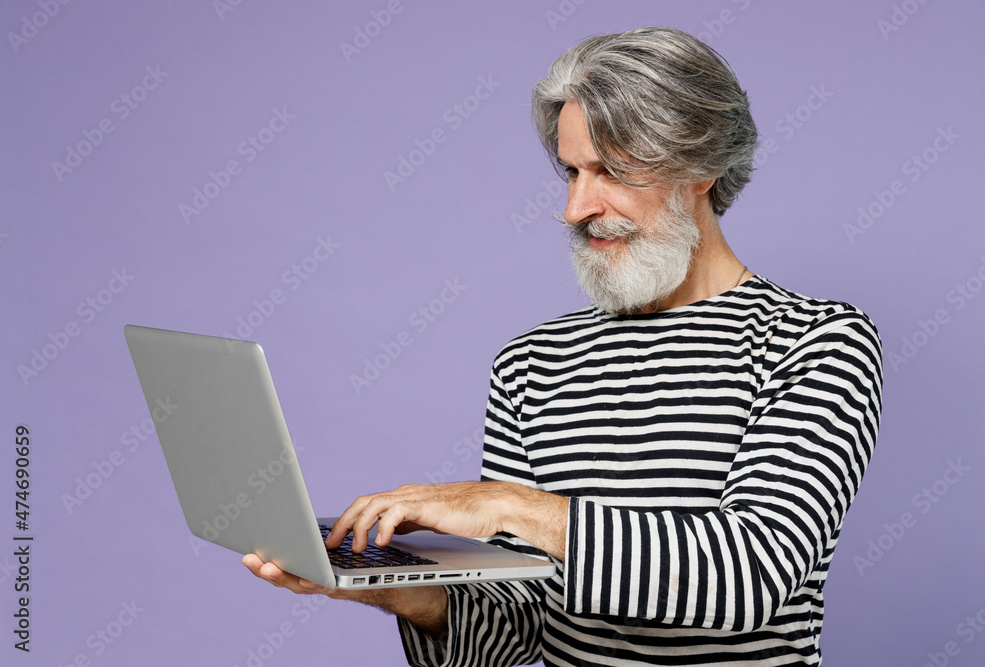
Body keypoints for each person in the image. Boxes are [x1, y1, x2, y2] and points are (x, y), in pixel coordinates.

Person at [243, 27, 883, 666]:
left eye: (611, 170)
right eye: (574, 171)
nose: (577, 207)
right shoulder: (533, 363)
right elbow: (517, 628)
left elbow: (747, 579)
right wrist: (389, 589)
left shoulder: (817, 344)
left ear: (702, 166)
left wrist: (511, 506)